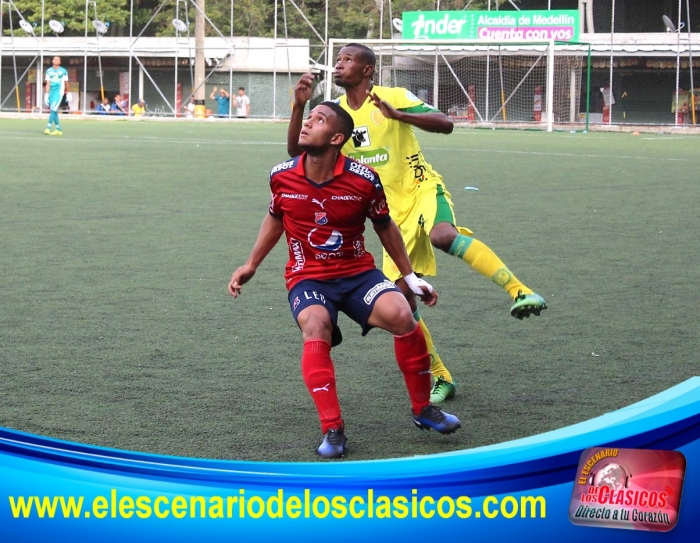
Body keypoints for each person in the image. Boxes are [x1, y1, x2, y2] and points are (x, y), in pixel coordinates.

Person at [288, 44, 547, 404]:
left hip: (422, 188)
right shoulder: (335, 114)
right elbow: (298, 154)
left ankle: (519, 290)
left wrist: (400, 116)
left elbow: (446, 123)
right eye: (338, 59)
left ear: (368, 70)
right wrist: (299, 106)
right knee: (402, 301)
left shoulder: (392, 96)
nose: (339, 63)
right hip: (389, 215)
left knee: (443, 235)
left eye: (348, 59)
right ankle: (441, 376)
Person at [229, 101, 461, 459]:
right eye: (309, 117)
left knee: (402, 313)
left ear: (337, 138)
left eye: (318, 120)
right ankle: (333, 429)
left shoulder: (363, 178)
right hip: (308, 277)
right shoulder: (281, 175)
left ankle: (422, 410)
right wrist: (251, 264)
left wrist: (409, 277)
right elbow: (276, 217)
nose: (307, 124)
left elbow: (385, 227)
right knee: (316, 324)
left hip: (357, 274)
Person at [43, 56, 70, 136]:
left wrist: (68, 92)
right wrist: (46, 94)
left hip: (59, 92)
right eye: (55, 59)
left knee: (53, 109)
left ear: (60, 62)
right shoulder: (48, 71)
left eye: (58, 59)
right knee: (54, 111)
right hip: (51, 92)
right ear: (52, 61)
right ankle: (58, 129)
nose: (56, 60)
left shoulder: (63, 71)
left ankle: (48, 127)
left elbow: (66, 83)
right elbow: (48, 83)